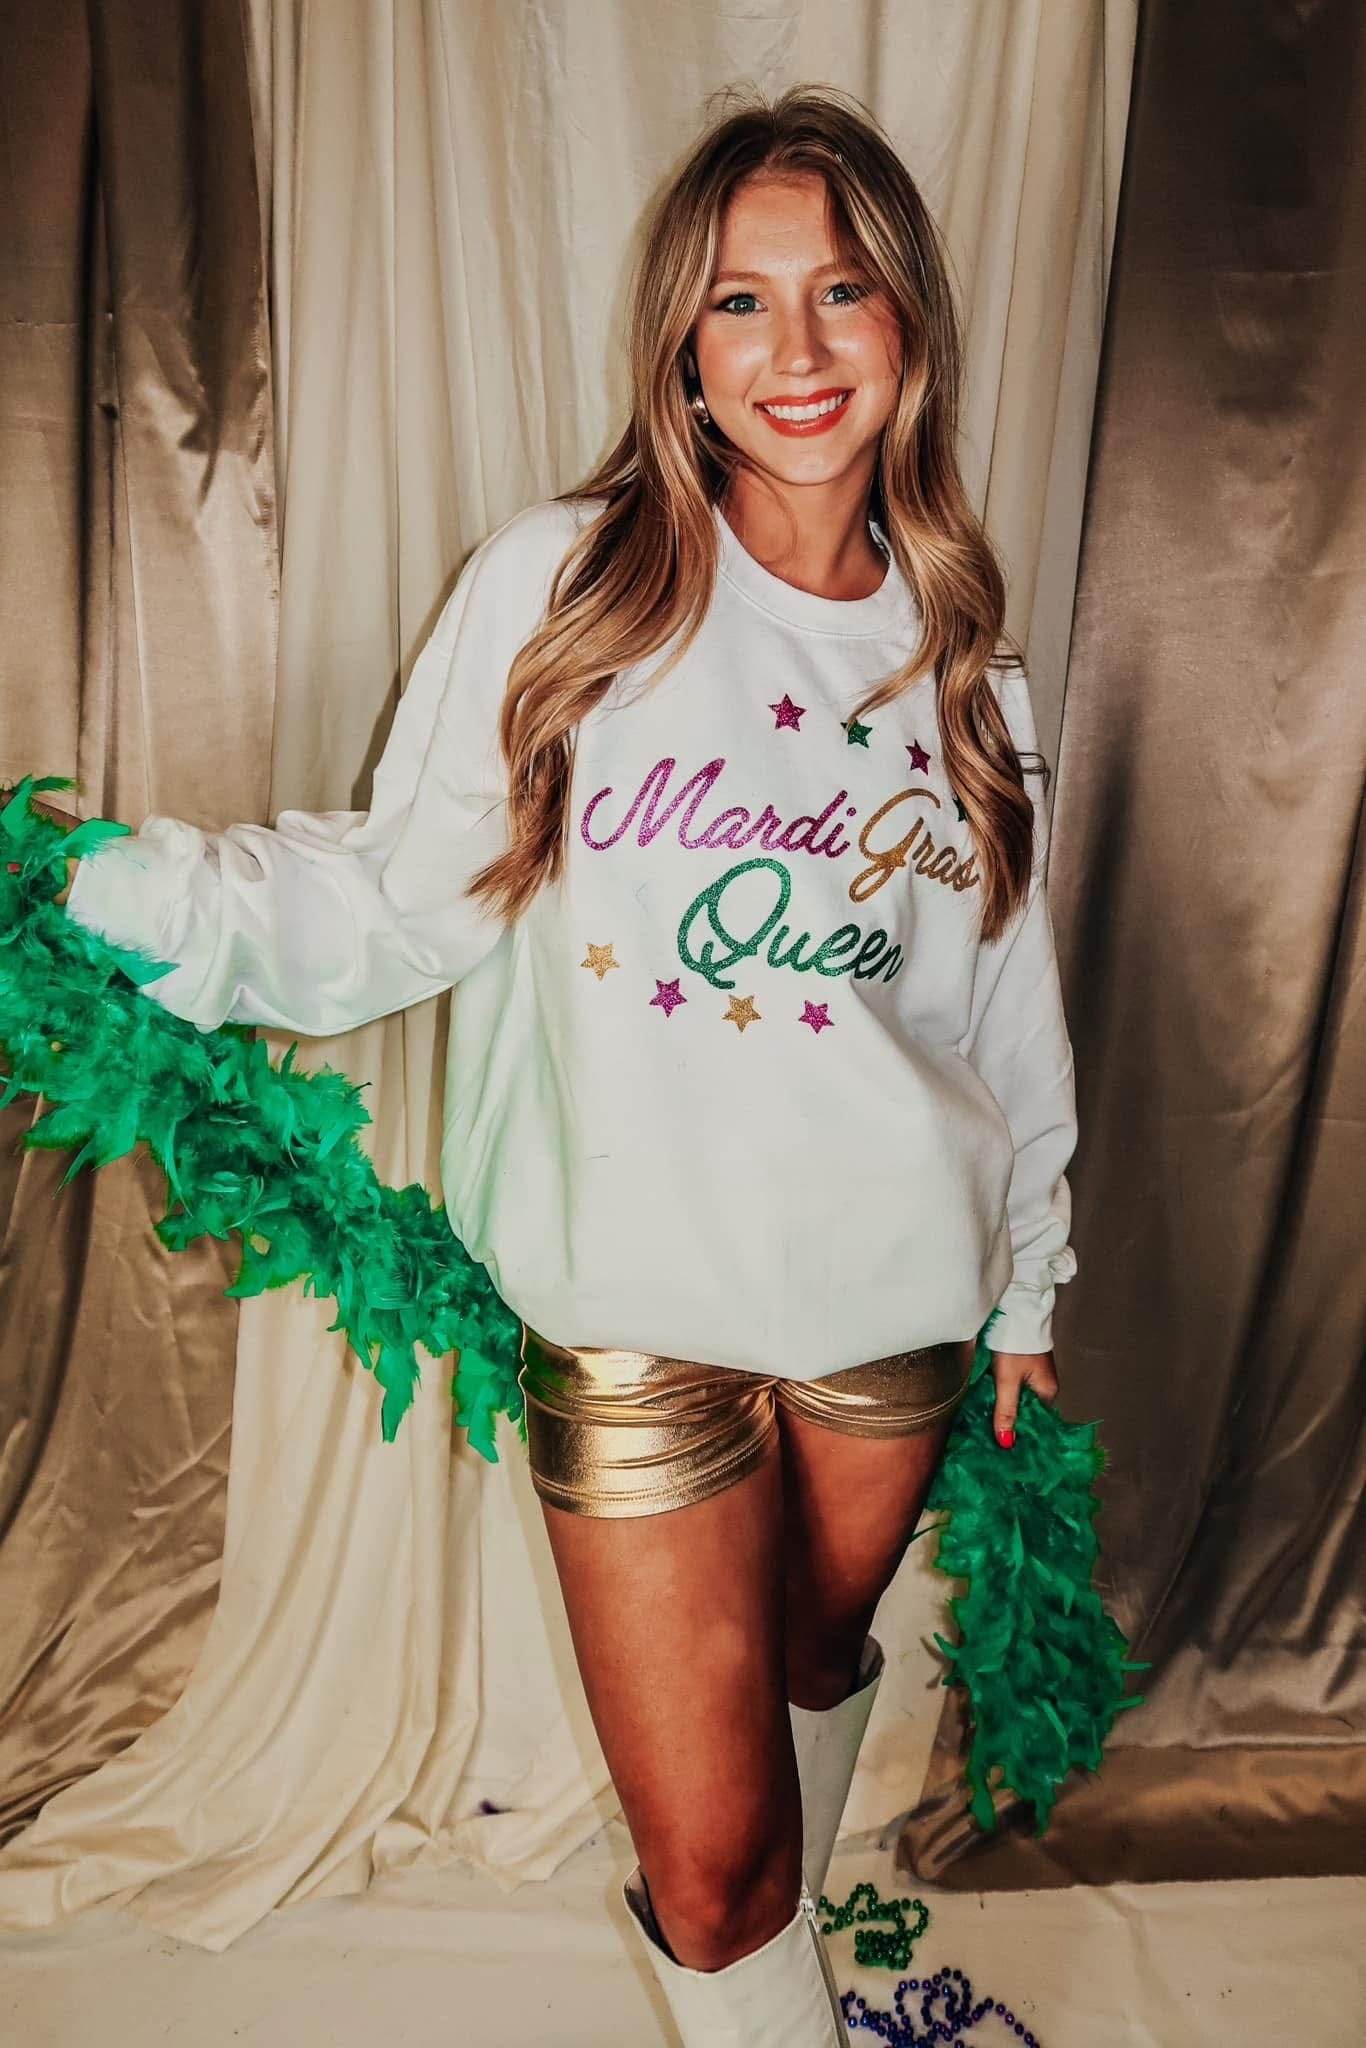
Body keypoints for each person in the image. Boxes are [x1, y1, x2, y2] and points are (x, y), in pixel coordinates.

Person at [56, 84, 1077, 2048]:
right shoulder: (572, 586)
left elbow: (998, 1004)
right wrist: (108, 892)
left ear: (907, 326)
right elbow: (389, 899)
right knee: (707, 1868)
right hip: (632, 1314)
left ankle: (809, 1964)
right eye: (739, 303)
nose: (794, 349)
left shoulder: (966, 657)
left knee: (813, 1674)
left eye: (840, 292)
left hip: (893, 1307)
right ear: (680, 353)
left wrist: (1026, 1280)